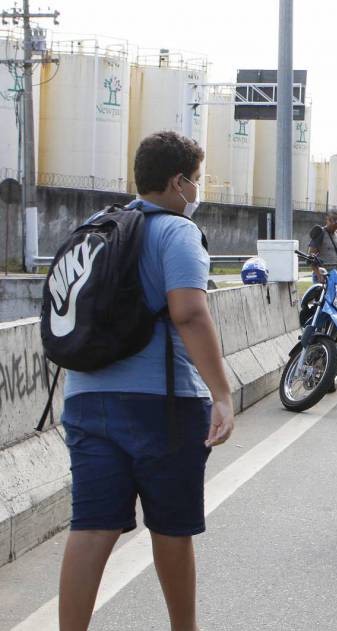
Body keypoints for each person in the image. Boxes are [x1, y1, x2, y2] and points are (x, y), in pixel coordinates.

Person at [57, 131, 235, 630]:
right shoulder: (177, 233)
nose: (197, 192)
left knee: (91, 527)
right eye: (196, 181)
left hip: (86, 399)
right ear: (178, 181)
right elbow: (190, 313)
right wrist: (221, 395)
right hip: (162, 406)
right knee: (171, 529)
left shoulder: (95, 226)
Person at [308, 209, 337, 283]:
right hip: (322, 275)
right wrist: (319, 275)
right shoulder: (320, 233)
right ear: (327, 219)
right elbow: (311, 256)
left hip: (334, 275)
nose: (335, 222)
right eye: (332, 219)